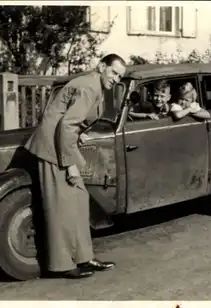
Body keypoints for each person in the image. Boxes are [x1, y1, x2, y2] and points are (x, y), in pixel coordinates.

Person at [24, 54, 127, 279]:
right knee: (62, 207)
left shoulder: (92, 84)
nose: (116, 78)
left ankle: (83, 256)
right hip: (52, 150)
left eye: (120, 76)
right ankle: (62, 266)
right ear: (101, 66)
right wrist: (69, 164)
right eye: (114, 72)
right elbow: (68, 124)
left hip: (60, 143)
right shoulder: (89, 87)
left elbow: (66, 119)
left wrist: (77, 136)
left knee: (79, 198)